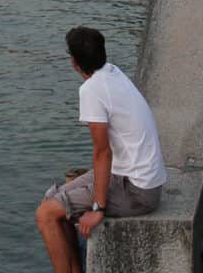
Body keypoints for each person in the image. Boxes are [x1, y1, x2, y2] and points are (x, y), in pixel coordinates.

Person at [36, 26, 166, 273]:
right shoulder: (113, 73)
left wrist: (98, 208)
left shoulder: (92, 90)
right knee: (50, 202)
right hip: (134, 178)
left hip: (137, 190)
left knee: (44, 215)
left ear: (74, 62)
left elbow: (102, 153)